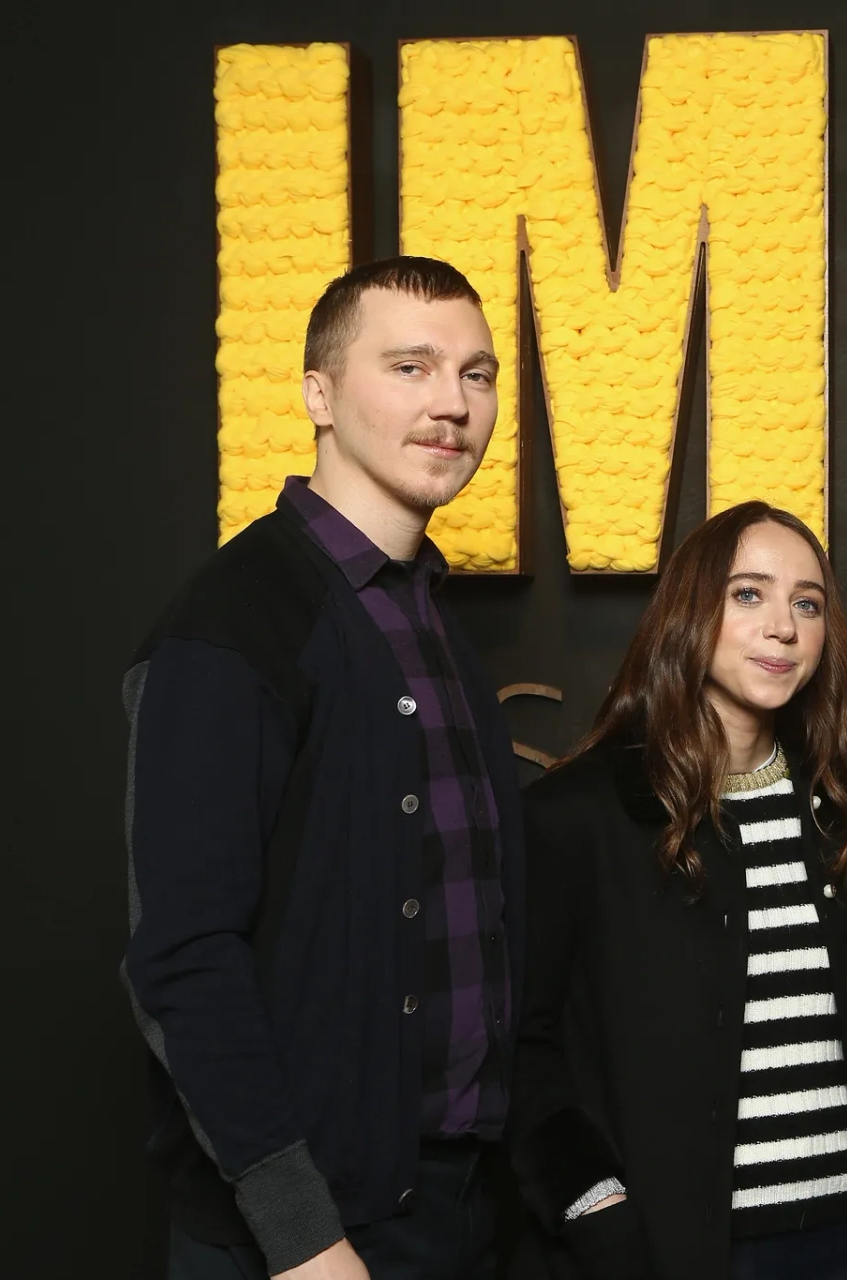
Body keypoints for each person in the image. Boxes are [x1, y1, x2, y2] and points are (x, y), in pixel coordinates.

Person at [122, 256, 525, 1280]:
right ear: (319, 393)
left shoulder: (432, 624)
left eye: (477, 375)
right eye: (411, 365)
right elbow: (183, 956)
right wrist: (301, 1231)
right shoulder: (232, 623)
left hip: (448, 1213)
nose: (451, 403)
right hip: (306, 1242)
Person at [510, 502, 847, 1280]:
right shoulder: (579, 814)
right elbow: (516, 1044)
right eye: (747, 594)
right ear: (689, 611)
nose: (782, 626)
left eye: (807, 603)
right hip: (673, 1248)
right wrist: (590, 1202)